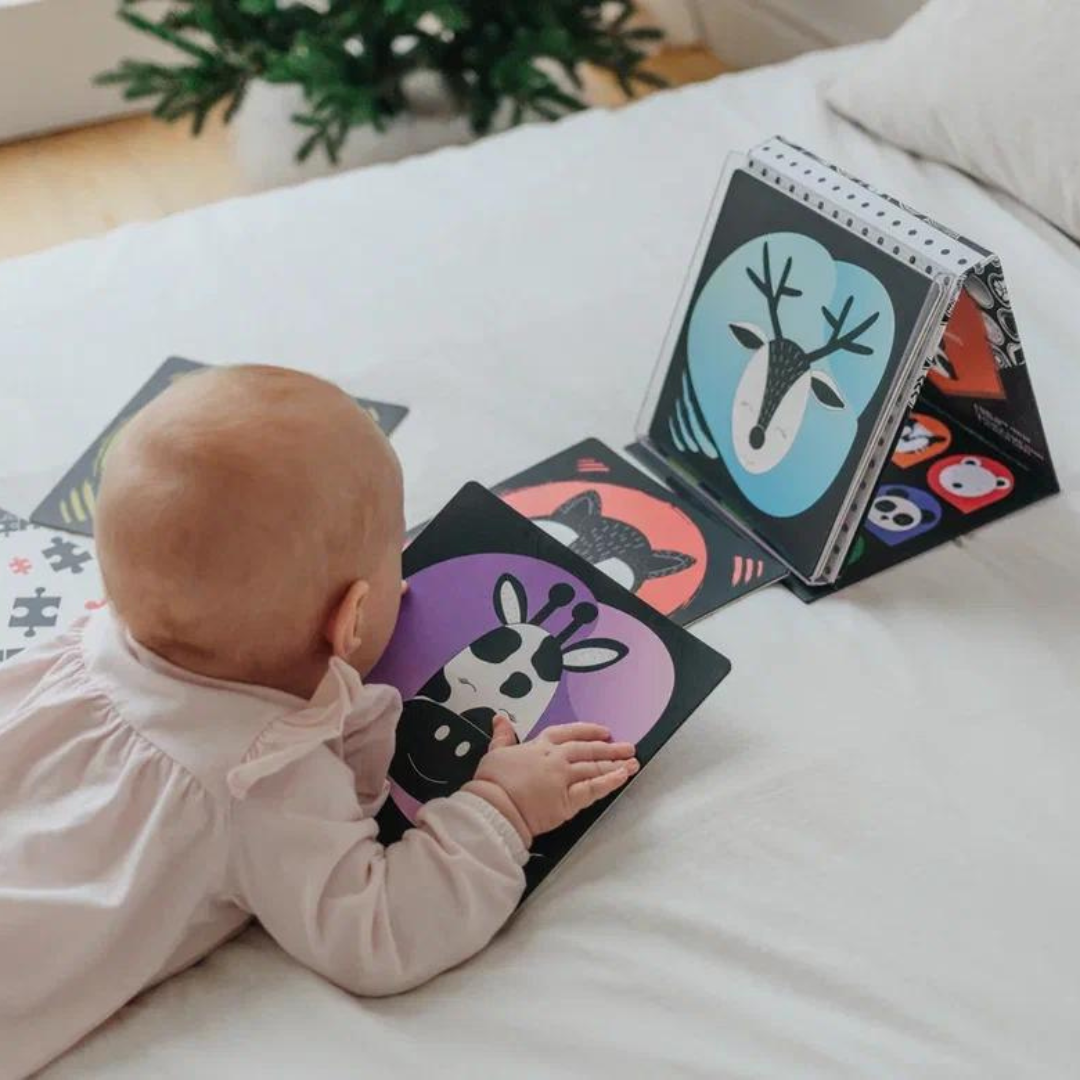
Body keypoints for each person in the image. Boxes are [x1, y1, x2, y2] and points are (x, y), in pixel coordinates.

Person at [0, 365, 638, 1079]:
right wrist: (502, 806)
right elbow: (379, 931)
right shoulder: (262, 779)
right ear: (353, 619)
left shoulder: (67, 656)